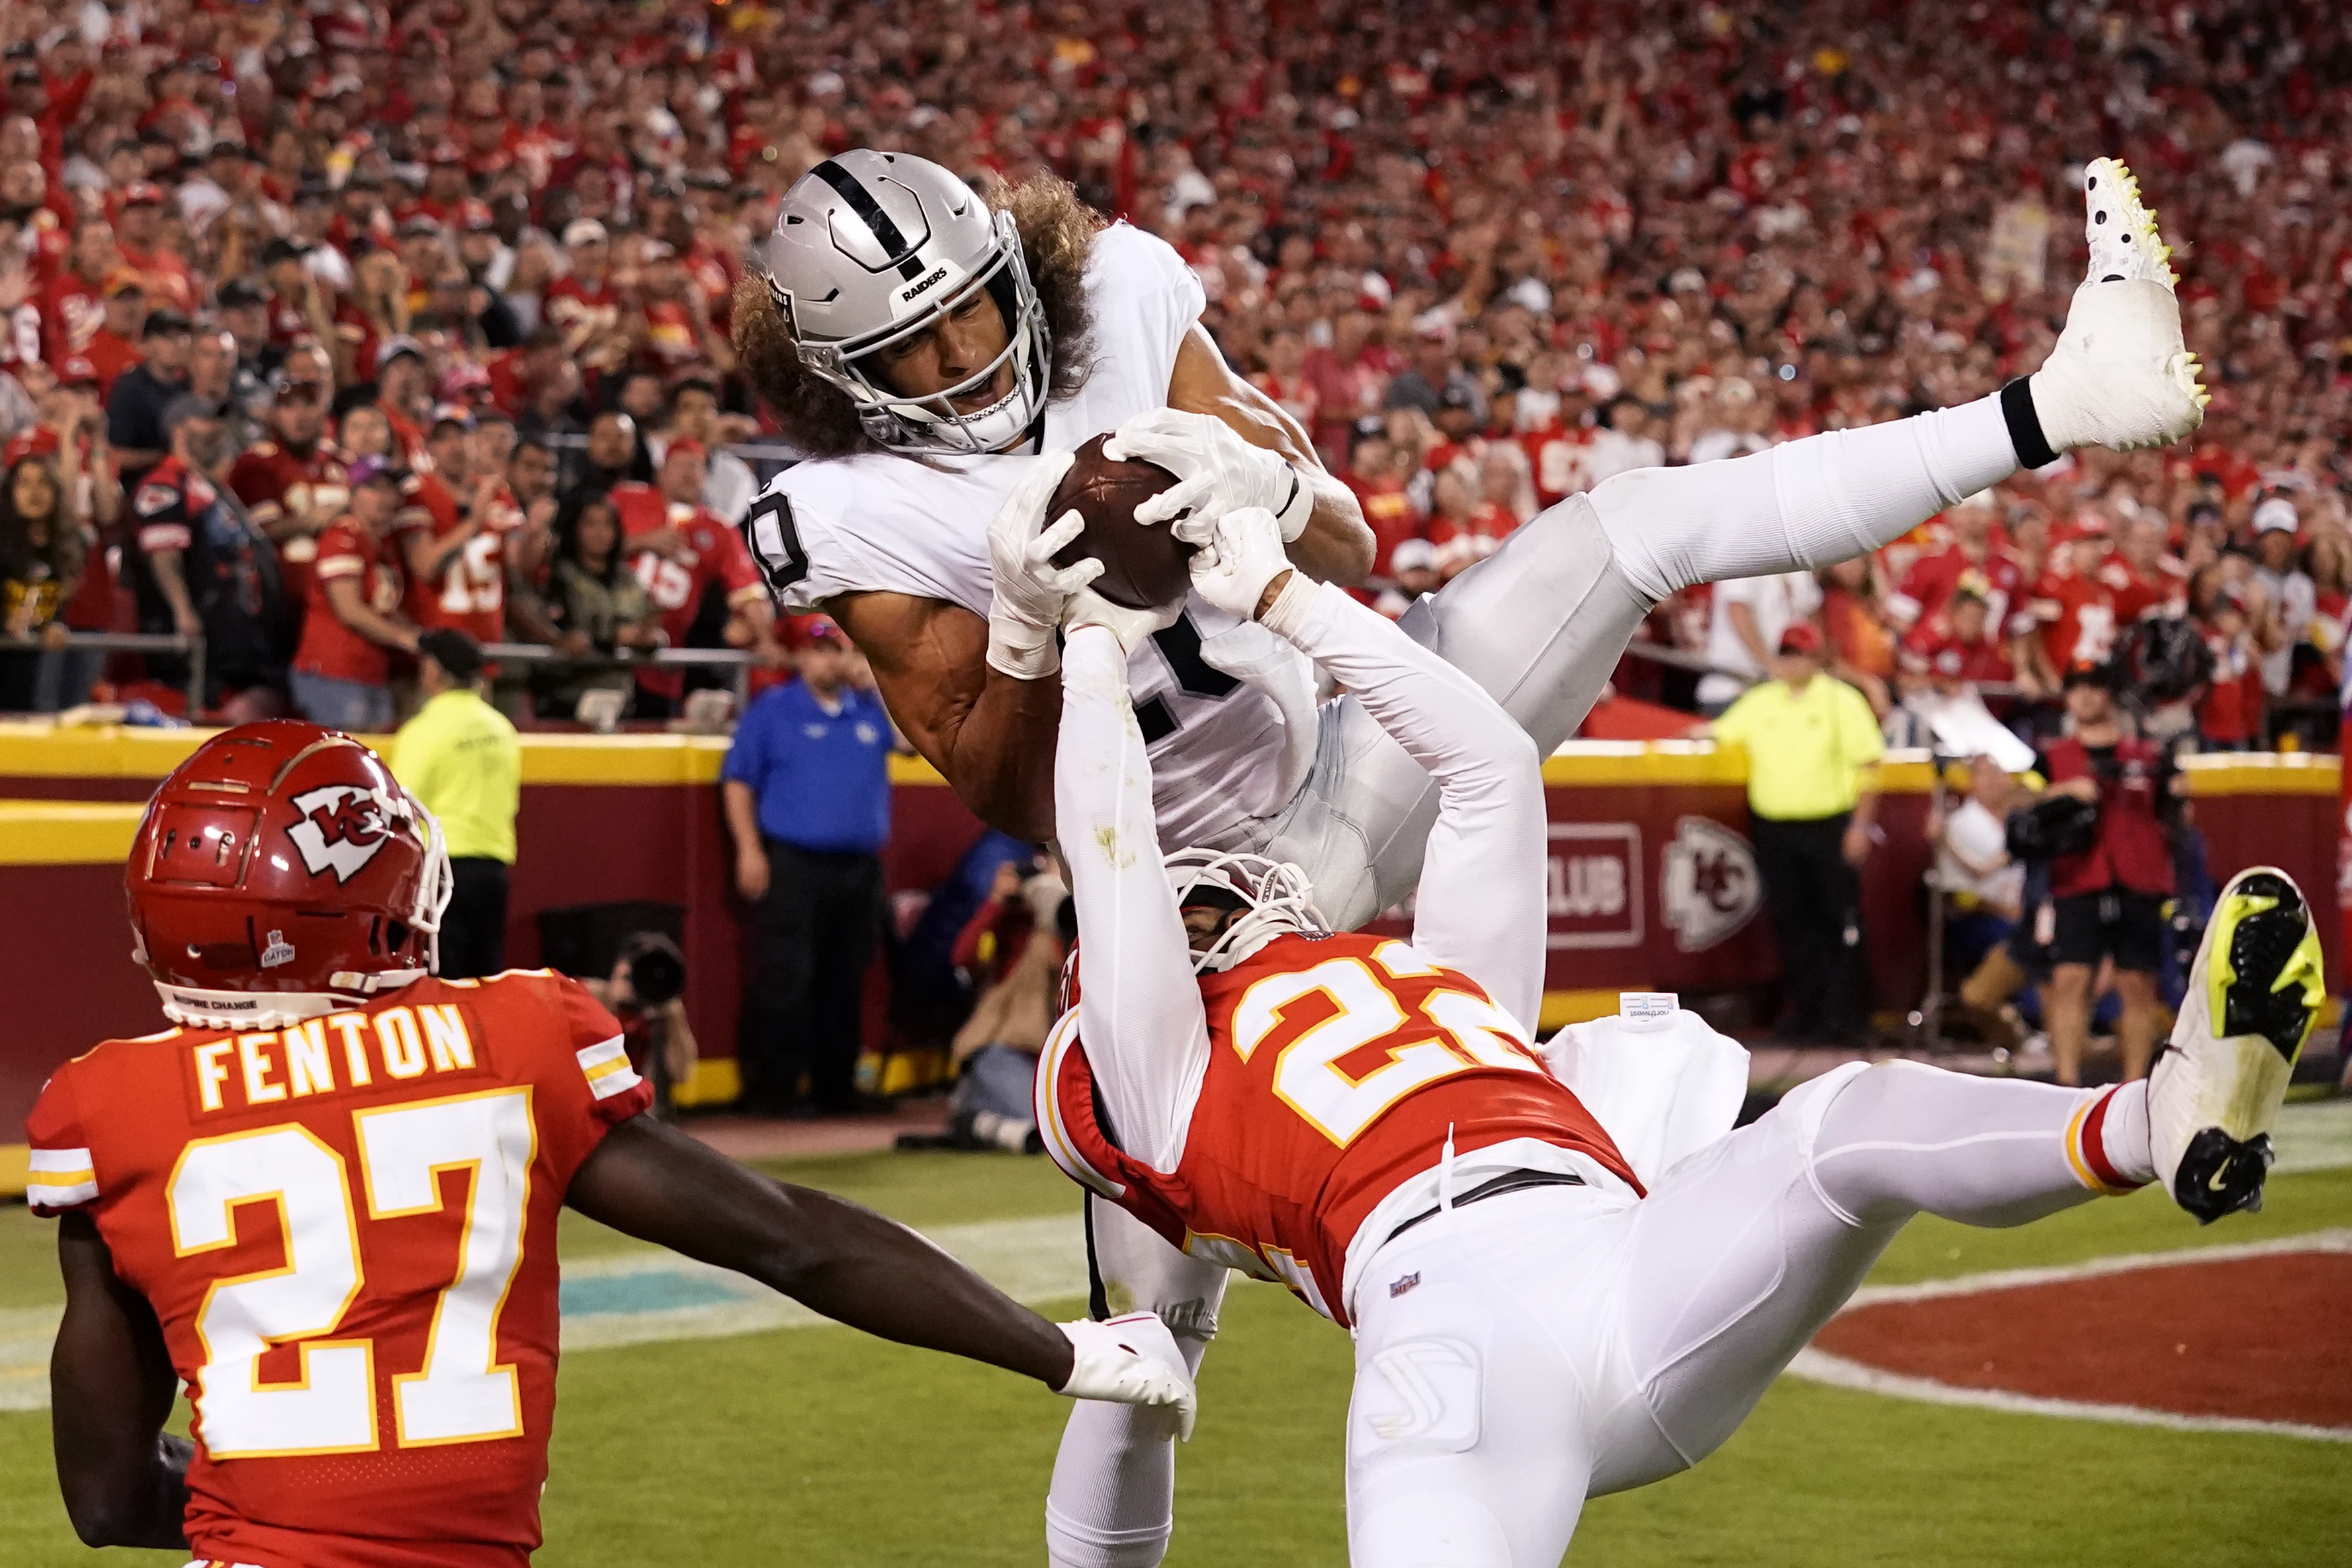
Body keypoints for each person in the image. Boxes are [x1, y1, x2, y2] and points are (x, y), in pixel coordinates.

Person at [737, 153, 2211, 1524]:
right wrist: (1024, 628)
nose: (964, 364)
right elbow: (999, 787)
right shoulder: (846, 512)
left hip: (1348, 747)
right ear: (837, 382)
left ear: (1015, 266)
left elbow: (1348, 546)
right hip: (1191, 896)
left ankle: (2057, 405)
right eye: (910, 357)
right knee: (1143, 1352)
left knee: (1628, 526)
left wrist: (1275, 489)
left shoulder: (1118, 292)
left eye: (975, 313)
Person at [1034, 501, 2319, 1568]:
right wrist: (1090, 645)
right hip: (1447, 1344)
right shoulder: (1157, 1083)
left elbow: (1487, 763)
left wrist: (1293, 603)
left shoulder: (1418, 989)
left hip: (1631, 1256)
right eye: (1184, 900)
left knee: (1841, 1124)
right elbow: (1107, 845)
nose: (1215, 893)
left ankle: (2163, 1119)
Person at [28, 719, 1194, 1565]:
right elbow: (793, 1243)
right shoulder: (510, 1041)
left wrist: (299, 1516)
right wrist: (1064, 1350)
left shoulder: (108, 1106)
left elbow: (104, 1498)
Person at [722, 616, 894, 1115]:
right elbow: (737, 782)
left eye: (836, 650)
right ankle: (775, 1089)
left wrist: (880, 684)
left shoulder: (865, 711)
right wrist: (749, 850)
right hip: (795, 861)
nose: (829, 660)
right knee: (786, 975)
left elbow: (909, 742)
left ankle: (834, 1085)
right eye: (818, 651)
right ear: (799, 658)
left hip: (858, 866)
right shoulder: (774, 710)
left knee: (845, 976)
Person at [1708, 621, 1885, 1044]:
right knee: (1791, 922)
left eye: (1798, 653)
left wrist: (1861, 824)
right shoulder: (1761, 701)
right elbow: (1715, 733)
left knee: (1837, 921)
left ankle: (1847, 1017)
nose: (1790, 661)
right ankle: (1807, 1013)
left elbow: (1870, 765)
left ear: (1817, 658)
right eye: (1785, 653)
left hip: (1828, 825)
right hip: (1774, 827)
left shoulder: (1842, 701)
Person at [2038, 662, 2179, 1086]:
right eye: (2075, 688)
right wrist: (2063, 792)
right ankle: (2066, 1086)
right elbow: (2020, 802)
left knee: (2136, 983)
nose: (2084, 696)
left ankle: (2135, 1088)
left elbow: (2175, 810)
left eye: (2093, 688)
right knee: (2070, 977)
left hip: (2138, 876)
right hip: (2077, 876)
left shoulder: (2148, 755)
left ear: (2109, 696)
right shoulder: (2052, 756)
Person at [388, 629, 521, 980]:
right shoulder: (502, 728)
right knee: (485, 977)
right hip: (493, 865)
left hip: (440, 870)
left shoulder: (422, 731)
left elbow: (402, 807)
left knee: (444, 978)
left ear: (432, 671)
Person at [289, 464, 419, 732]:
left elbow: (384, 608)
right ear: (353, 493)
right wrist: (405, 638)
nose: (384, 497)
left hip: (370, 672)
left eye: (390, 489)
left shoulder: (384, 545)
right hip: (334, 672)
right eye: (373, 488)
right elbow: (350, 610)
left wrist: (423, 636)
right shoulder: (341, 537)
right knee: (343, 761)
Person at [535, 492, 665, 718]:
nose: (600, 533)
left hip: (620, 700)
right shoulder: (560, 576)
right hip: (569, 699)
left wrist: (651, 639)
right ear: (575, 528)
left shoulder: (628, 578)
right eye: (590, 524)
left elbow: (645, 622)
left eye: (608, 525)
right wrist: (615, 637)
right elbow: (567, 633)